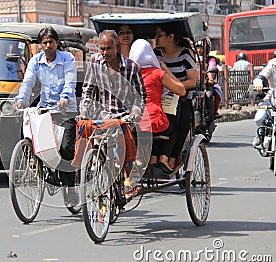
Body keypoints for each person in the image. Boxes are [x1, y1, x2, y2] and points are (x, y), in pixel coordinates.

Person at [13, 26, 79, 207]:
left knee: (66, 147)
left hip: (66, 110)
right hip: (45, 109)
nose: (48, 45)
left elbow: (70, 81)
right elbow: (27, 83)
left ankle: (70, 186)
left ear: (56, 43)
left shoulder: (67, 59)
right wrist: (21, 100)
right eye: (45, 42)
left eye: (51, 42)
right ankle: (37, 165)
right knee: (29, 136)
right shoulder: (36, 61)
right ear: (41, 44)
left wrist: (65, 98)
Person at [78, 29, 146, 193]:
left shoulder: (131, 67)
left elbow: (140, 97)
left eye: (108, 48)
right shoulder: (94, 63)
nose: (105, 52)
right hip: (101, 115)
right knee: (83, 131)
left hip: (124, 115)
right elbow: (87, 91)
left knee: (125, 139)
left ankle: (127, 175)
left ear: (117, 46)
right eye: (102, 49)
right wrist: (83, 112)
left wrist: (136, 112)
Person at [129, 39, 185, 175]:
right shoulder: (157, 73)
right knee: (173, 129)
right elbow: (181, 90)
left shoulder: (129, 74)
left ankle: (152, 158)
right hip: (155, 119)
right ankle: (163, 158)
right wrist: (165, 69)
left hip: (135, 123)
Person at [154, 24, 198, 170]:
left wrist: (173, 87)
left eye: (159, 35)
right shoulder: (156, 54)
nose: (156, 38)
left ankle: (172, 157)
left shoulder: (186, 55)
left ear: (170, 37)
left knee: (183, 120)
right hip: (160, 97)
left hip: (183, 96)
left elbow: (192, 81)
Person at [252, 58, 276, 149]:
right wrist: (259, 84)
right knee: (260, 117)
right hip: (270, 99)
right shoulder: (272, 64)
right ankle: (261, 135)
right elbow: (261, 76)